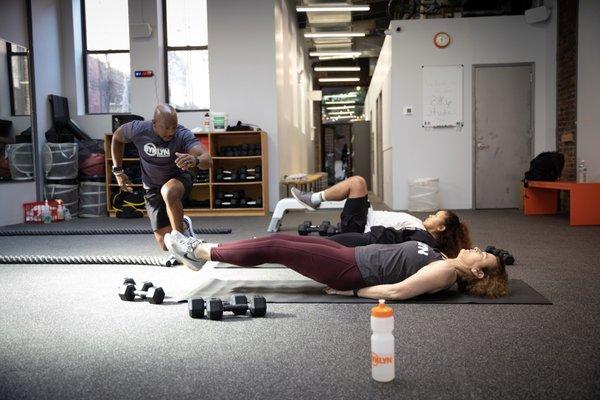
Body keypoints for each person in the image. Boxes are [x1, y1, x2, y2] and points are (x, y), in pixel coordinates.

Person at [164, 231, 508, 300]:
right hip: (351, 258)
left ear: (477, 273)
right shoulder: (444, 259)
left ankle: (201, 252)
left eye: (482, 256)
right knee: (284, 240)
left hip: (350, 270)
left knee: (275, 246)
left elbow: (399, 291)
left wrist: (353, 290)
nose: (477, 249)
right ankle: (207, 252)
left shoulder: (446, 271)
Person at [111, 104, 212, 250]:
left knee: (168, 191)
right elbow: (117, 138)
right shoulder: (138, 129)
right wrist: (118, 172)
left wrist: (195, 160)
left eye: (174, 127)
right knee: (165, 245)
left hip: (179, 177)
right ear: (154, 123)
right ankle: (183, 226)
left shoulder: (182, 134)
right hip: (152, 185)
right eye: (166, 127)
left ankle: (182, 241)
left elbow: (208, 160)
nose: (171, 132)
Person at [291, 176, 471, 258]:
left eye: (436, 216)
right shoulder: (419, 228)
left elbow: (385, 240)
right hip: (365, 218)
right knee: (358, 184)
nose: (431, 215)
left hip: (360, 228)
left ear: (441, 227)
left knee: (357, 183)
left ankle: (313, 199)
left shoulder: (420, 235)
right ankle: (314, 199)